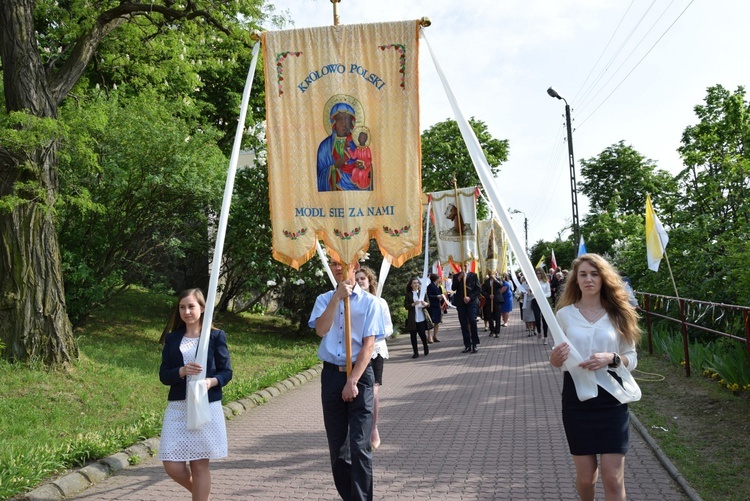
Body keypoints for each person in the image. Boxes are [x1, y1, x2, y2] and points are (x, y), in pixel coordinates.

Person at [550, 253, 641, 501]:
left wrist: (611, 358)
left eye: (594, 273)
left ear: (603, 278)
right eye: (583, 274)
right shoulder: (564, 315)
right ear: (575, 281)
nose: (589, 279)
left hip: (612, 397)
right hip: (577, 397)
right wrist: (555, 360)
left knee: (613, 478)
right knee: (586, 478)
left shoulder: (620, 313)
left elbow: (631, 358)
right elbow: (557, 358)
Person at [309, 258, 384, 501]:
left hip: (360, 377)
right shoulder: (324, 299)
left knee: (360, 447)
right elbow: (321, 330)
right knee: (338, 450)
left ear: (356, 264)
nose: (337, 267)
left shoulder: (371, 303)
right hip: (331, 376)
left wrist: (352, 381)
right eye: (333, 263)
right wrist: (336, 298)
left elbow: (369, 345)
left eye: (343, 262)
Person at [158, 288, 232, 501]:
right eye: (182, 307)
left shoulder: (215, 336)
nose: (187, 311)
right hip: (178, 407)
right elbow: (164, 375)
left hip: (204, 406)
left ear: (202, 308)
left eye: (191, 306)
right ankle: (203, 495)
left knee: (199, 465)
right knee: (172, 465)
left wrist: (211, 381)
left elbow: (226, 372)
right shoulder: (173, 338)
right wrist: (181, 372)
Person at [354, 266, 392, 452]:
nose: (360, 281)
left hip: (375, 351)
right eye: (357, 279)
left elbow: (388, 328)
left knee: (373, 392)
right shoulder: (351, 303)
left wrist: (371, 337)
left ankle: (373, 429)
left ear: (370, 282)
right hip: (356, 353)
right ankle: (359, 429)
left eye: (363, 278)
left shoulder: (380, 302)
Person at [317, 101, 372, 192]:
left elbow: (369, 164)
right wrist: (334, 166)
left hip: (358, 190)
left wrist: (364, 167)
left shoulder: (359, 143)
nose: (344, 123)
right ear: (333, 123)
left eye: (347, 119)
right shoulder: (325, 146)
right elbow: (319, 177)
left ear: (352, 122)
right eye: (339, 119)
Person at [452, 266, 482, 353]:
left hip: (471, 302)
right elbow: (453, 288)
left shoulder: (473, 275)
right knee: (463, 323)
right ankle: (467, 345)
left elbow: (478, 290)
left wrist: (470, 297)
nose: (464, 266)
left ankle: (475, 343)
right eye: (463, 265)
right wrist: (459, 278)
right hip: (461, 303)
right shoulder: (456, 276)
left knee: (472, 321)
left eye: (466, 264)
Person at [404, 277, 430, 358]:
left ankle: (425, 347)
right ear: (411, 285)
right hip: (412, 318)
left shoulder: (422, 293)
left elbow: (428, 303)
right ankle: (415, 352)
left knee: (422, 334)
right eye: (414, 283)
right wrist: (413, 304)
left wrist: (425, 304)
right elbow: (406, 306)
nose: (416, 284)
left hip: (421, 317)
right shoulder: (408, 294)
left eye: (417, 283)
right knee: (413, 336)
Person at [528, 267, 552, 344]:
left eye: (539, 273)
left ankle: (545, 337)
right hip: (535, 301)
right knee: (537, 318)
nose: (538, 275)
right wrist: (530, 293)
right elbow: (530, 292)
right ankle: (539, 331)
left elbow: (549, 293)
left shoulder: (546, 282)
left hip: (544, 301)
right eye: (537, 273)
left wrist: (542, 295)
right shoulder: (533, 282)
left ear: (542, 273)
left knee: (545, 319)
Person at [482, 271, 505, 337]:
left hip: (497, 300)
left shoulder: (498, 279)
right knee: (490, 317)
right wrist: (488, 295)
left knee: (497, 316)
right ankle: (492, 330)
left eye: (493, 273)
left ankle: (497, 331)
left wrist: (495, 279)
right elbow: (483, 291)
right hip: (489, 301)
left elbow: (501, 285)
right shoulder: (486, 281)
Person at [425, 273, 444, 343]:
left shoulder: (437, 286)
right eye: (439, 277)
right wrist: (437, 296)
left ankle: (435, 336)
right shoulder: (430, 286)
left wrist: (441, 297)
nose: (440, 279)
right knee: (431, 322)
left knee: (437, 321)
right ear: (436, 279)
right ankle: (429, 336)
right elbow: (429, 296)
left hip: (437, 306)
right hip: (432, 306)